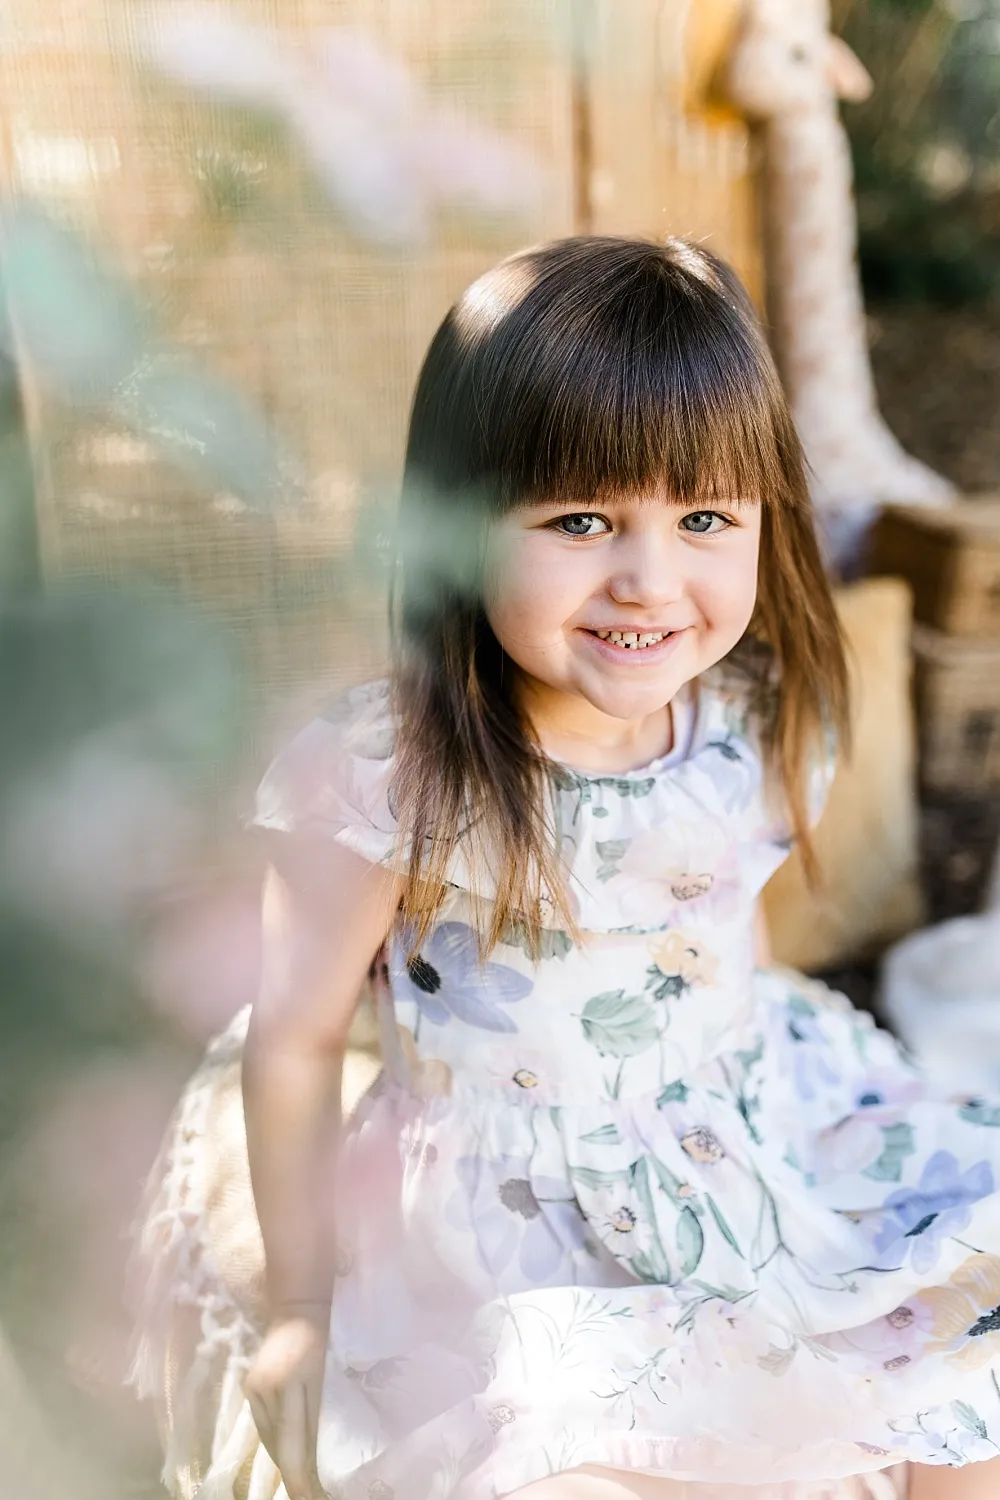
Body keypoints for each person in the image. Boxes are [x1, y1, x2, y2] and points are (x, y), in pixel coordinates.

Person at [133, 238, 1000, 1500]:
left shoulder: (751, 719)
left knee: (953, 1393)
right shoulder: (394, 774)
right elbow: (299, 1036)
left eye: (704, 517)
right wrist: (300, 1304)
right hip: (516, 1189)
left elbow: (711, 939)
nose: (648, 579)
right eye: (580, 518)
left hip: (743, 1118)